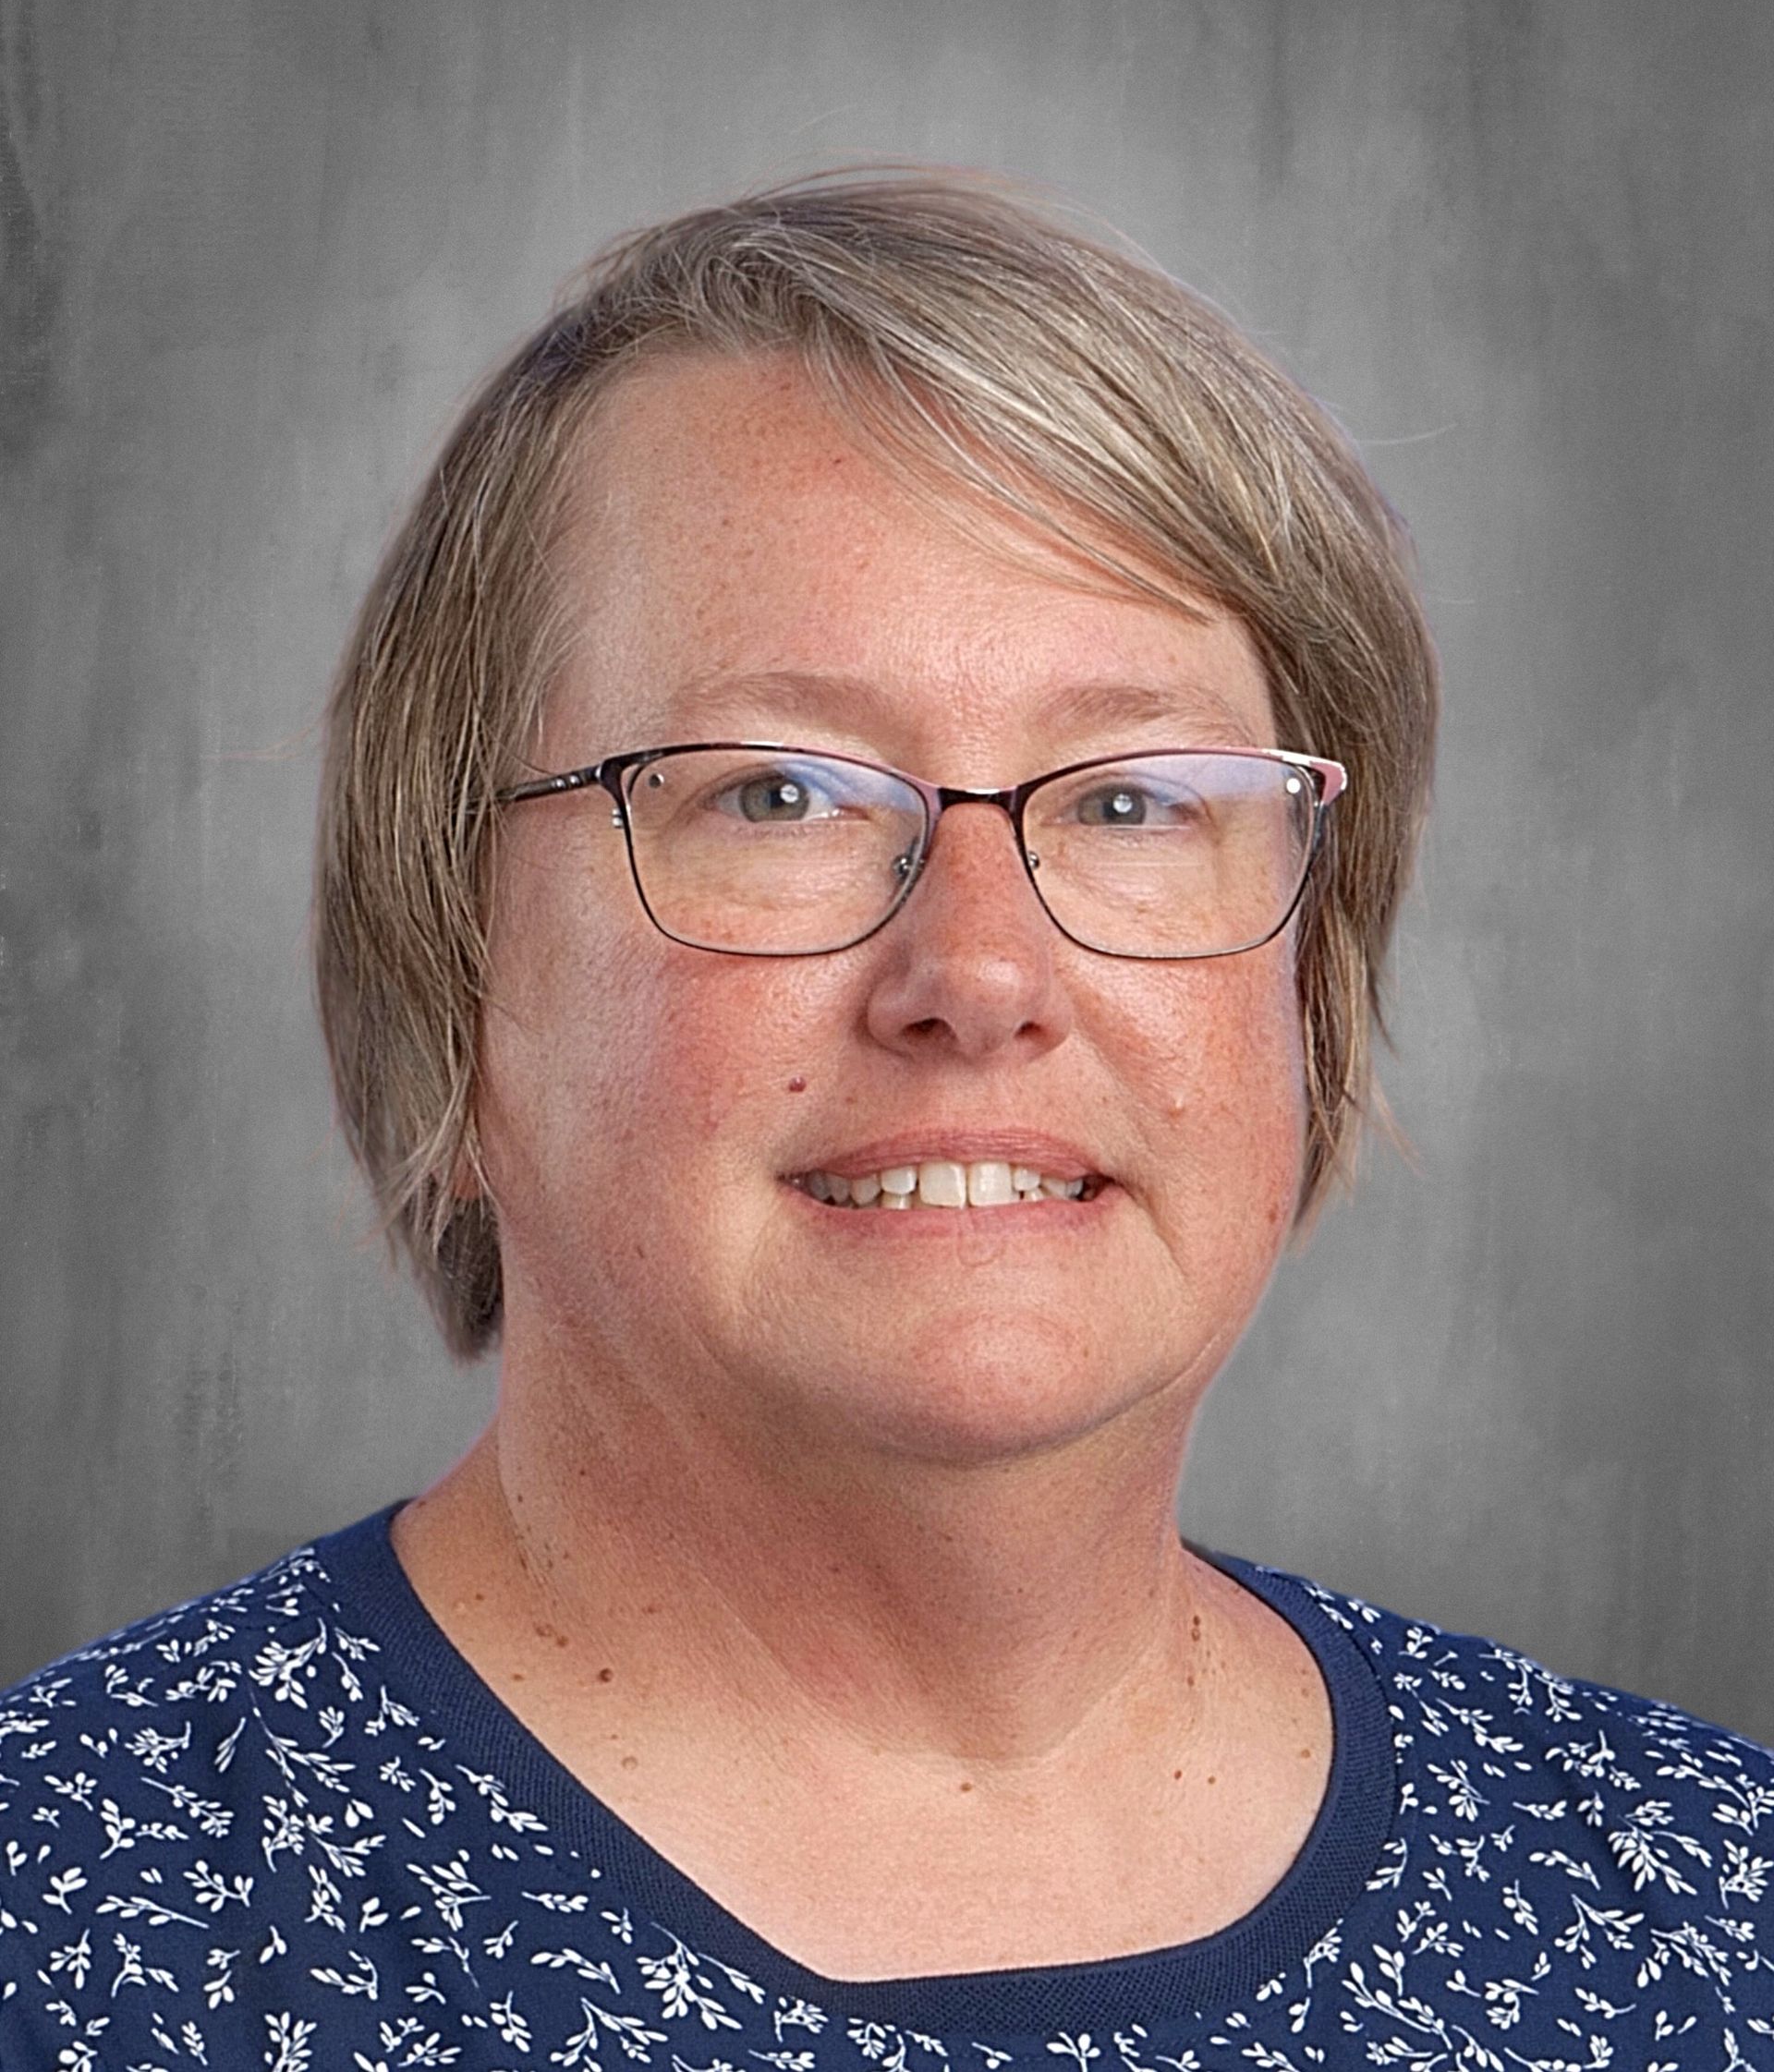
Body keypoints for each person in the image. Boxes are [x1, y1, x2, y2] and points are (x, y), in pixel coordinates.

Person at [2, 172, 1768, 2072]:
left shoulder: (1697, 1908)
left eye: (1138, 800)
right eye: (776, 795)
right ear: (451, 956)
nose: (982, 974)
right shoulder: (83, 1921)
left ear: (1305, 975)